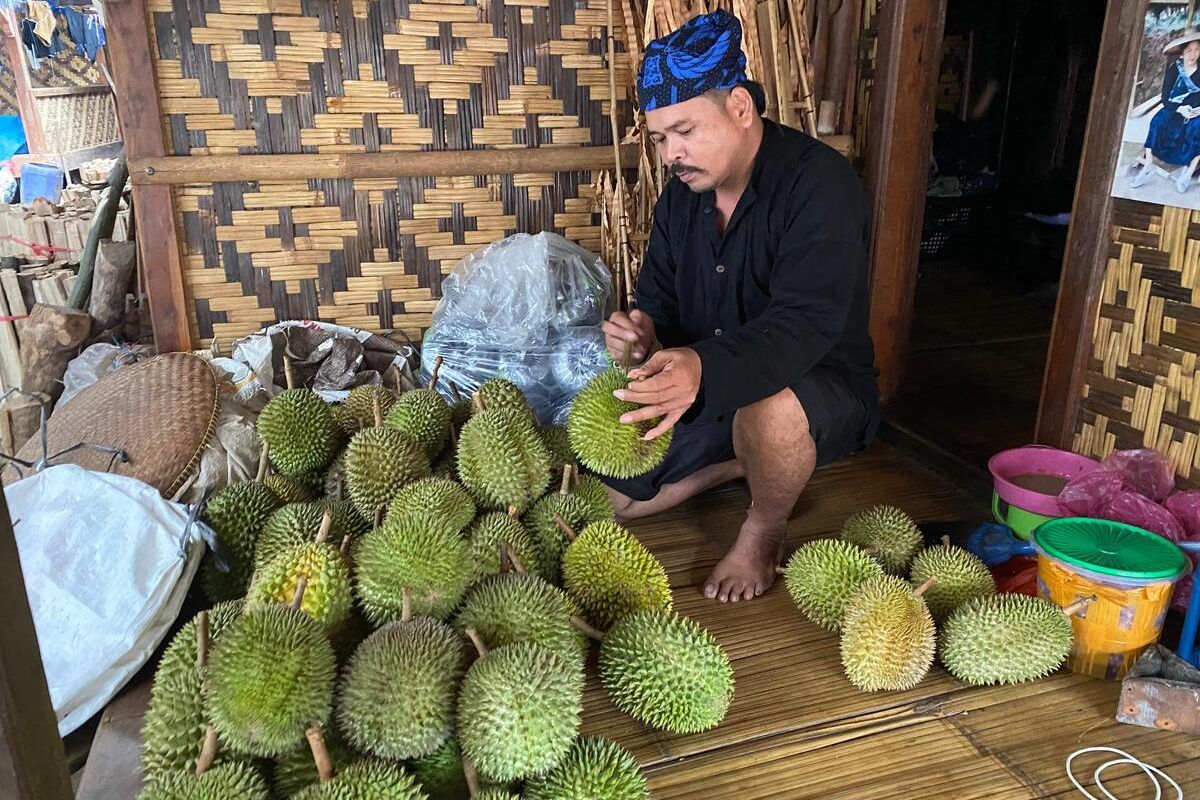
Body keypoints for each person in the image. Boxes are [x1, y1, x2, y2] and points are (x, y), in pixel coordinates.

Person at [597, 10, 880, 603]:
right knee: (613, 500)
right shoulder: (682, 199)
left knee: (769, 412)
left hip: (815, 386)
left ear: (740, 109)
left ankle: (763, 527)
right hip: (710, 387)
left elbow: (805, 325)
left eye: (685, 131)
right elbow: (659, 301)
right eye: (659, 138)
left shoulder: (819, 183)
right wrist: (642, 336)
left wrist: (702, 368)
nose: (671, 153)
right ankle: (746, 466)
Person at [1130, 28, 1200, 193]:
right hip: (1176, 109)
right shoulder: (1174, 69)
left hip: (1196, 112)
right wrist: (1179, 109)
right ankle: (1148, 165)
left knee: (1198, 129)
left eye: (1197, 49)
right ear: (1182, 52)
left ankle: (1188, 172)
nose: (1193, 54)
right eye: (1189, 50)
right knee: (1158, 121)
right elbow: (1166, 97)